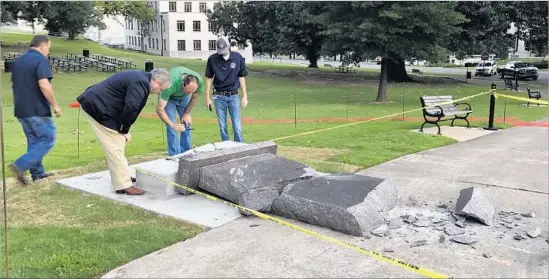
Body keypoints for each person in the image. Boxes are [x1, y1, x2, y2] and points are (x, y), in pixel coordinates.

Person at [76, 69, 171, 195]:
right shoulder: (140, 83)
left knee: (118, 143)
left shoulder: (141, 78)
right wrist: (124, 129)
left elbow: (130, 106)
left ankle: (123, 175)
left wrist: (124, 129)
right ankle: (123, 185)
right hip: (97, 107)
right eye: (161, 89)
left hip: (101, 105)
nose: (160, 93)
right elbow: (131, 107)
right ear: (156, 82)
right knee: (115, 146)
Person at [9, 35, 62, 186]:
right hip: (37, 109)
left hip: (21, 109)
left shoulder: (18, 61)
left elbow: (13, 84)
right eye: (48, 48)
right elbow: (44, 85)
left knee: (34, 141)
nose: (48, 52)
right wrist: (55, 105)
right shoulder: (40, 60)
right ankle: (20, 165)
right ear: (42, 45)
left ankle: (37, 174)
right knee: (47, 139)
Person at [204, 38, 249, 142]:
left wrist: (244, 96)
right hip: (219, 96)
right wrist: (207, 97)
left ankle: (239, 147)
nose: (222, 53)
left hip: (233, 95)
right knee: (222, 125)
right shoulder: (212, 59)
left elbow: (241, 77)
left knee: (237, 125)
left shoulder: (237, 57)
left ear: (228, 47)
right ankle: (226, 147)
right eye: (220, 51)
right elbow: (209, 78)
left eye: (224, 50)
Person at [156, 66, 204, 156]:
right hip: (169, 99)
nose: (190, 93)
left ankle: (186, 153)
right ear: (183, 84)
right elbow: (159, 108)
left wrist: (187, 113)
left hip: (183, 98)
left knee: (187, 123)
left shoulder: (199, 82)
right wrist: (172, 124)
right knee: (172, 126)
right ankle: (175, 155)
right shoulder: (171, 84)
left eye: (192, 91)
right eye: (188, 91)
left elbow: (194, 98)